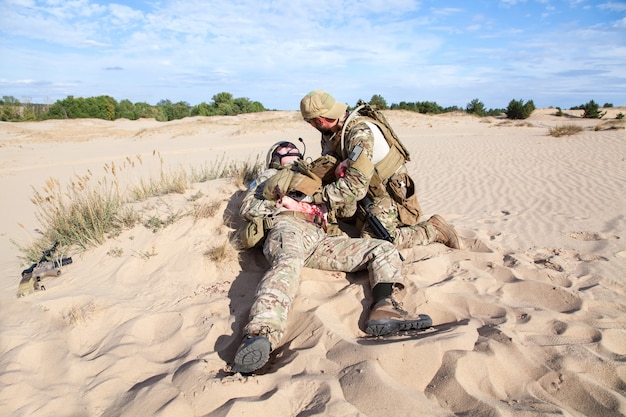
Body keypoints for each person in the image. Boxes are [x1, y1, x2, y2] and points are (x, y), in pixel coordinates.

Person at [231, 141, 431, 374]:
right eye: (283, 150)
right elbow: (248, 208)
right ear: (274, 159)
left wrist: (336, 184)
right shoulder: (270, 175)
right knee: (287, 264)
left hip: (321, 238)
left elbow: (345, 210)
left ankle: (384, 307)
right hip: (289, 227)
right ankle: (260, 334)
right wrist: (287, 203)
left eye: (294, 149)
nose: (291, 151)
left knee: (382, 249)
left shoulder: (317, 175)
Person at [300, 90, 461, 250]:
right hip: (367, 188)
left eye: (310, 122)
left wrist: (313, 197)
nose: (311, 126)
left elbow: (355, 187)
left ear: (319, 120)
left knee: (376, 241)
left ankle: (433, 230)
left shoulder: (360, 133)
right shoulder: (331, 134)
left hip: (388, 193)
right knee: (341, 216)